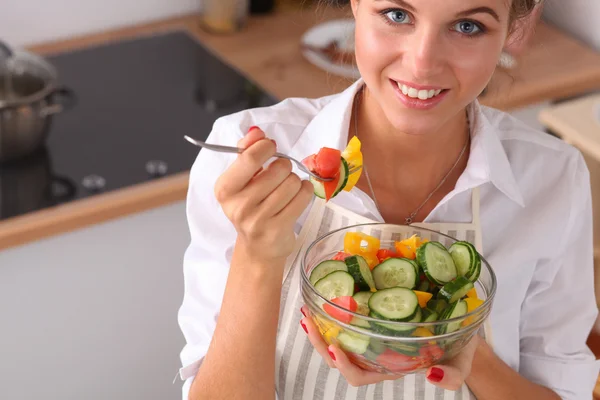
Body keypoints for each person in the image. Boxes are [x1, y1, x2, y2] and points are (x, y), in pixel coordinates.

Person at [176, 0, 600, 399]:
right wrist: (258, 256)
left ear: (513, 30)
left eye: (468, 26)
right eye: (397, 14)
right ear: (356, 6)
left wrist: (463, 351)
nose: (422, 63)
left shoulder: (552, 177)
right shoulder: (251, 155)